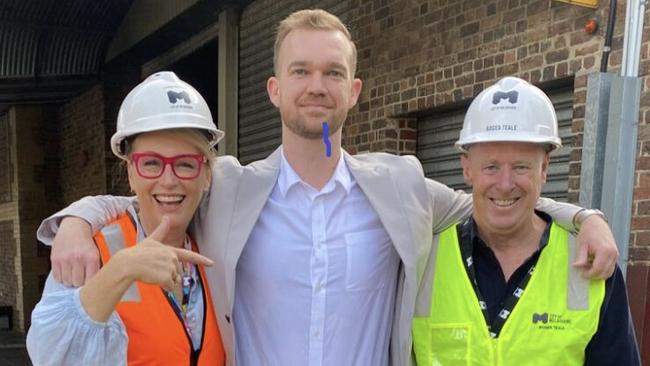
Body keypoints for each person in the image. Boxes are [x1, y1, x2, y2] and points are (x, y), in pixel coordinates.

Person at [37, 9, 618, 366]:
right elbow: (159, 184)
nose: (317, 87)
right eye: (301, 72)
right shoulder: (233, 188)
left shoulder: (402, 185)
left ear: (355, 89)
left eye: (332, 73)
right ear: (273, 88)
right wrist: (78, 220)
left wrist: (584, 216)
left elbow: (500, 200)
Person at [412, 77, 640, 365]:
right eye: (491, 167)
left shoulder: (591, 262)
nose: (505, 184)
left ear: (544, 168)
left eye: (521, 167)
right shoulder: (420, 260)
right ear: (467, 168)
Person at [27, 72, 227, 365]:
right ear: (131, 173)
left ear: (207, 175)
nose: (169, 180)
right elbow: (52, 356)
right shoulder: (91, 254)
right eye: (151, 164)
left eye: (186, 164)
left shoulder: (218, 239)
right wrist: (120, 270)